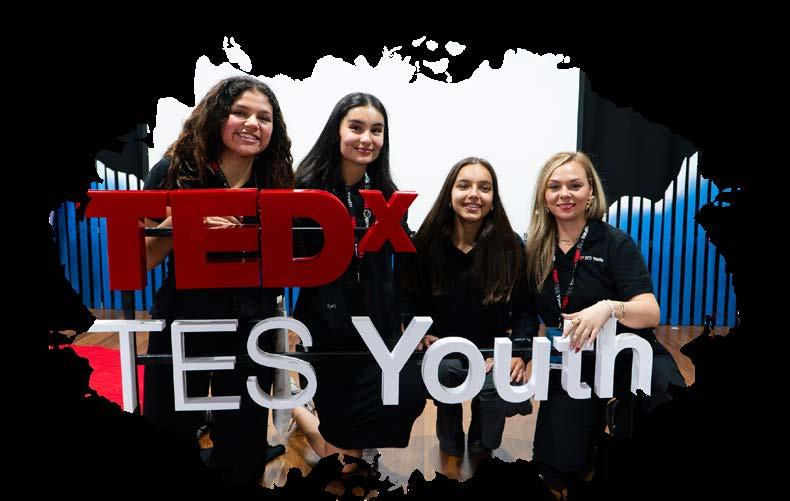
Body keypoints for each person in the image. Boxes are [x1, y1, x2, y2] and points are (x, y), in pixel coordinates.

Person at [142, 75, 294, 484]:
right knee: (167, 424)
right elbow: (144, 259)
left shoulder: (277, 178)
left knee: (243, 446)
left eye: (264, 118)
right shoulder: (171, 172)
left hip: (251, 320)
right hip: (184, 316)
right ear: (216, 117)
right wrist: (185, 220)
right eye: (240, 112)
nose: (252, 124)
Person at [523, 151, 685, 489]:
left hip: (631, 355)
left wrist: (609, 308)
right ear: (543, 196)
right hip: (575, 363)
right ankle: (599, 426)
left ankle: (622, 413)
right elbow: (524, 311)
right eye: (555, 186)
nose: (565, 194)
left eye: (575, 185)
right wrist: (522, 353)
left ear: (590, 193)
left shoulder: (615, 242)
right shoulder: (534, 248)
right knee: (560, 471)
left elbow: (650, 311)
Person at [289, 92, 426, 472]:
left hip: (377, 324)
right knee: (342, 459)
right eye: (357, 127)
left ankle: (347, 440)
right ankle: (298, 410)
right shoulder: (304, 188)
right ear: (337, 130)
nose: (367, 138)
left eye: (376, 130)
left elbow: (401, 262)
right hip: (327, 325)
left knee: (407, 393)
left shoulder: (386, 193)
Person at [402, 157, 533, 457]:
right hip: (441, 351)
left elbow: (525, 310)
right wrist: (417, 331)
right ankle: (448, 420)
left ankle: (481, 430)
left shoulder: (510, 246)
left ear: (493, 200)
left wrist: (518, 353)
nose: (474, 194)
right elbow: (408, 298)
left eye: (484, 188)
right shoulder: (425, 243)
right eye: (464, 186)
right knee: (445, 381)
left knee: (485, 443)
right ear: (449, 195)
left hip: (491, 353)